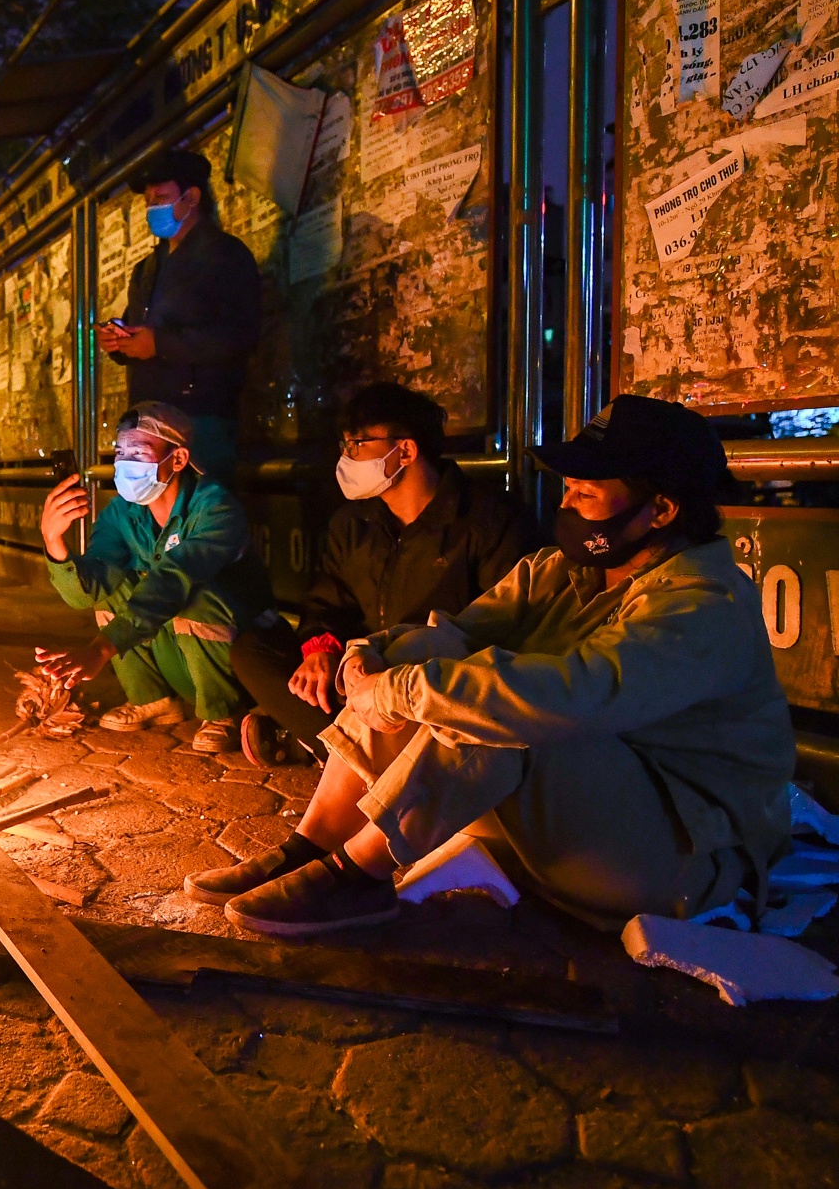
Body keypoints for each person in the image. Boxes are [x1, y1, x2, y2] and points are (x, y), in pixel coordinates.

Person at [184, 395, 795, 937]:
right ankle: (314, 844)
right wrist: (373, 656)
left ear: (660, 511)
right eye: (568, 486)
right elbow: (459, 632)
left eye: (588, 490)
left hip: (681, 859)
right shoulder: (563, 570)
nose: (568, 500)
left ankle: (360, 875)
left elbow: (572, 696)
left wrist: (405, 688)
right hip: (578, 821)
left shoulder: (701, 602)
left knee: (508, 706)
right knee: (427, 674)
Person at [232, 382, 529, 767]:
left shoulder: (487, 520)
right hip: (355, 674)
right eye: (345, 446)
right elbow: (328, 600)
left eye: (358, 445)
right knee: (253, 649)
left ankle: (332, 749)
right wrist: (320, 649)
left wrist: (393, 664)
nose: (347, 457)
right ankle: (352, 752)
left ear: (405, 450)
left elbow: (499, 629)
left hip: (426, 686)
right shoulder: (354, 521)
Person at [35, 402, 279, 754]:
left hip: (241, 664)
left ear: (178, 460)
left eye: (140, 452)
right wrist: (54, 542)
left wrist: (101, 649)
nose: (125, 462)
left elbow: (175, 579)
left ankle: (223, 712)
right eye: (121, 451)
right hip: (180, 659)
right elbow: (87, 593)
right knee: (114, 591)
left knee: (194, 592)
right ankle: (153, 699)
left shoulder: (215, 507)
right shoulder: (122, 512)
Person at [97, 149, 262, 481]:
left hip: (200, 421)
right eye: (148, 201)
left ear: (192, 197)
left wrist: (161, 344)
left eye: (160, 197)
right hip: (147, 422)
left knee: (199, 519)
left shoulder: (225, 255)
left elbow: (239, 336)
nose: (151, 208)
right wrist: (118, 339)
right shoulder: (147, 267)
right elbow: (136, 329)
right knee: (149, 525)